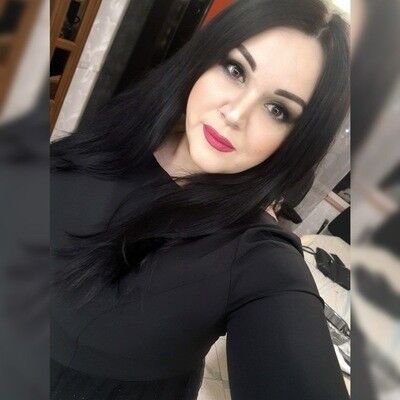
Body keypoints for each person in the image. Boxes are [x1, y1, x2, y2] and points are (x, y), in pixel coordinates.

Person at [51, 0, 350, 398]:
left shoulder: (257, 257)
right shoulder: (123, 131)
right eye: (235, 70)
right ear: (204, 58)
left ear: (297, 139)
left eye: (277, 109)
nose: (235, 114)